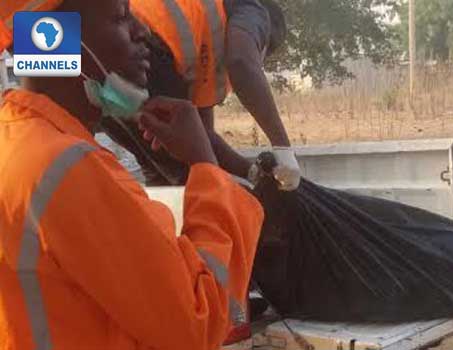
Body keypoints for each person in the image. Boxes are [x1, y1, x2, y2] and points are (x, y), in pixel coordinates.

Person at [0, 0, 263, 349]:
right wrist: (205, 164)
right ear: (59, 40)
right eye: (121, 18)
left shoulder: (16, 141)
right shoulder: (70, 170)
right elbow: (196, 322)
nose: (143, 32)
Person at [101, 0, 301, 190]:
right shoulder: (252, 9)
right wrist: (282, 147)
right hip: (139, 41)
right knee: (196, 177)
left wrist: (252, 173)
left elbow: (201, 134)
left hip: (82, 36)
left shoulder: (204, 34)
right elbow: (242, 62)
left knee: (162, 170)